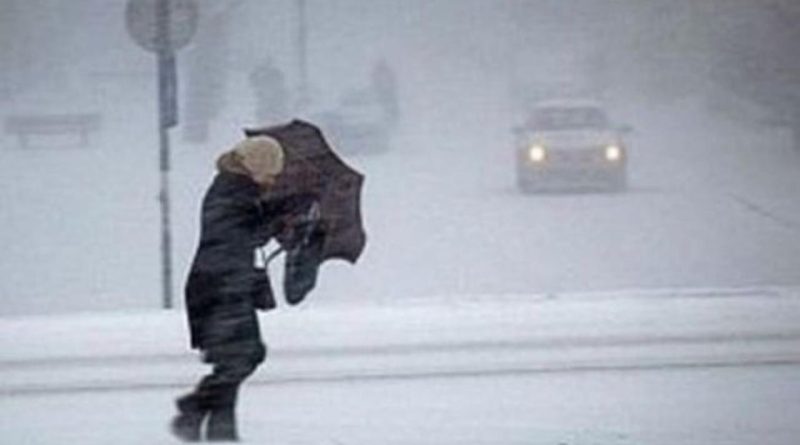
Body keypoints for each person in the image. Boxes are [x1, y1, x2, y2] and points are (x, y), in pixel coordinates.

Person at [171, 136, 288, 442]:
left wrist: (277, 215)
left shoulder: (237, 190)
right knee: (243, 356)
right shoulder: (231, 192)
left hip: (224, 285)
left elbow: (246, 229)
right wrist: (273, 222)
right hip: (218, 287)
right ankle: (195, 408)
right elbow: (239, 236)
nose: (273, 179)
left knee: (235, 359)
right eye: (271, 172)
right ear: (257, 165)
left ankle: (220, 433)